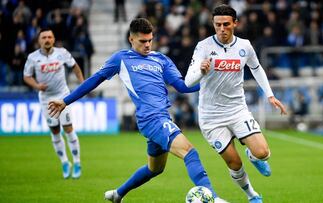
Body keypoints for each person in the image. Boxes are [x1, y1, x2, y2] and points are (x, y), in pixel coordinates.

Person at [48, 18, 228, 203]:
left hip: (162, 117)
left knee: (155, 169)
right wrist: (66, 101)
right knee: (190, 153)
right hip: (151, 119)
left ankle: (118, 194)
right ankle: (212, 198)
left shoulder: (161, 59)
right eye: (143, 41)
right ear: (131, 39)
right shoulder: (121, 59)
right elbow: (94, 80)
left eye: (150, 40)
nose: (148, 44)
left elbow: (182, 86)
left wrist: (206, 81)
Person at [185, 4, 287, 203]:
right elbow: (188, 81)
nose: (221, 29)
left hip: (237, 110)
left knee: (263, 153)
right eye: (217, 25)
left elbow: (256, 68)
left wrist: (270, 95)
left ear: (235, 24)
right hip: (211, 117)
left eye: (225, 24)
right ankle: (252, 195)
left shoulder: (245, 46)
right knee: (234, 162)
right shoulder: (203, 47)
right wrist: (201, 71)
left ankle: (253, 155)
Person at [23, 28, 84, 179]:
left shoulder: (62, 52)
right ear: (39, 40)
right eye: (44, 37)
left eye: (49, 37)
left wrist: (83, 84)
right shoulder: (32, 57)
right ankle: (64, 162)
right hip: (46, 99)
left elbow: (75, 67)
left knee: (68, 128)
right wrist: (37, 86)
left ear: (54, 39)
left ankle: (77, 162)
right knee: (55, 131)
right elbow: (26, 76)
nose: (47, 40)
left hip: (63, 97)